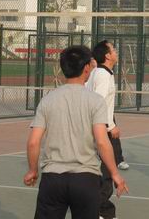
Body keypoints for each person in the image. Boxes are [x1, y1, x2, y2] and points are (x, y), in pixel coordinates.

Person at [24, 46, 128, 219]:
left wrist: (32, 170)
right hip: (86, 179)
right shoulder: (96, 101)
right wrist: (115, 174)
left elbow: (33, 142)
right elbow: (102, 142)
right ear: (86, 68)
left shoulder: (47, 100)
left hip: (53, 179)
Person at [85, 40, 126, 219]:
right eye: (113, 49)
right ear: (107, 55)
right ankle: (99, 210)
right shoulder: (102, 74)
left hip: (101, 124)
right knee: (108, 168)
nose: (116, 51)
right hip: (102, 126)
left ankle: (103, 210)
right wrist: (110, 126)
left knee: (105, 168)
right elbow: (98, 103)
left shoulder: (101, 72)